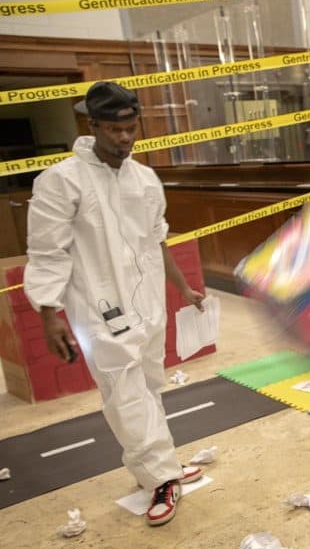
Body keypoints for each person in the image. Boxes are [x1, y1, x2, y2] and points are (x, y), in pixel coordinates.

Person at [24, 82, 207, 526]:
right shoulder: (60, 182)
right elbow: (48, 253)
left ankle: (159, 464)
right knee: (123, 393)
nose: (124, 138)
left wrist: (182, 287)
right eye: (114, 129)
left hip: (145, 304)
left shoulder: (144, 179)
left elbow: (157, 239)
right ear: (93, 126)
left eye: (131, 128)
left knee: (148, 386)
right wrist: (50, 313)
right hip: (97, 306)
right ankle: (162, 477)